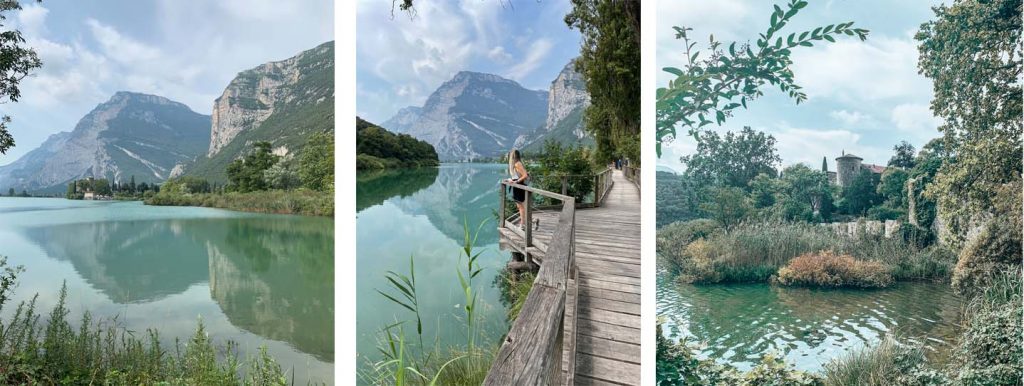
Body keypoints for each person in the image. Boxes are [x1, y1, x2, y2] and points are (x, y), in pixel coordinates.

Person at [506, 149, 529, 229]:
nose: (510, 157)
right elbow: (518, 176)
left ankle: (522, 225)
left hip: (519, 186)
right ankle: (523, 222)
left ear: (514, 156)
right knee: (519, 206)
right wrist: (511, 180)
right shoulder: (516, 164)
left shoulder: (517, 164)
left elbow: (525, 175)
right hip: (517, 186)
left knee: (521, 206)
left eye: (511, 155)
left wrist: (516, 182)